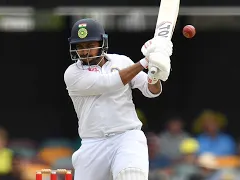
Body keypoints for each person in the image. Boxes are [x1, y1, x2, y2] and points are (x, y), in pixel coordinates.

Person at [64, 18, 173, 180]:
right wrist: (145, 61)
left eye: (90, 45)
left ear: (103, 42)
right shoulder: (72, 73)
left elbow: (151, 91)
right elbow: (109, 83)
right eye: (80, 47)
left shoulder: (121, 61)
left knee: (131, 176)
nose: (85, 51)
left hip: (126, 137)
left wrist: (154, 74)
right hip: (92, 142)